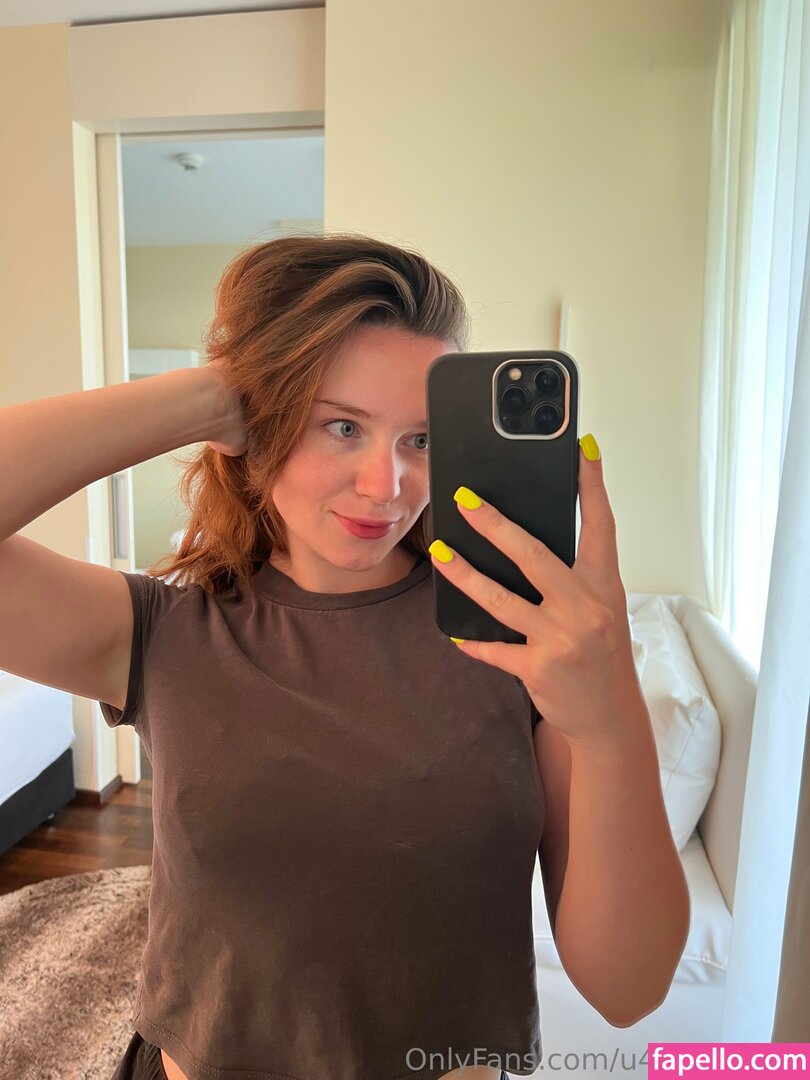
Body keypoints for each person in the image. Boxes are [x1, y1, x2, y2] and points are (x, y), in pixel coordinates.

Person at [0, 233, 690, 1080]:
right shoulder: (164, 631)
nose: (385, 485)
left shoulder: (515, 643)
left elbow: (628, 989)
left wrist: (614, 725)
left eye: (422, 440)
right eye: (341, 424)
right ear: (260, 422)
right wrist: (208, 394)